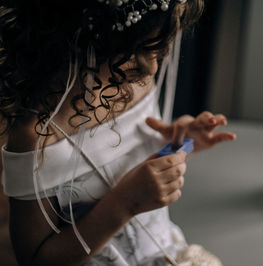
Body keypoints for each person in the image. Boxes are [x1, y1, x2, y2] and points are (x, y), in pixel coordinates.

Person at [0, 0, 236, 265]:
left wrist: (184, 143)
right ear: (82, 43)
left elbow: (143, 163)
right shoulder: (36, 138)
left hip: (167, 253)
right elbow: (36, 259)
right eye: (137, 51)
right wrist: (126, 202)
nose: (151, 68)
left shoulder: (136, 83)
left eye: (157, 54)